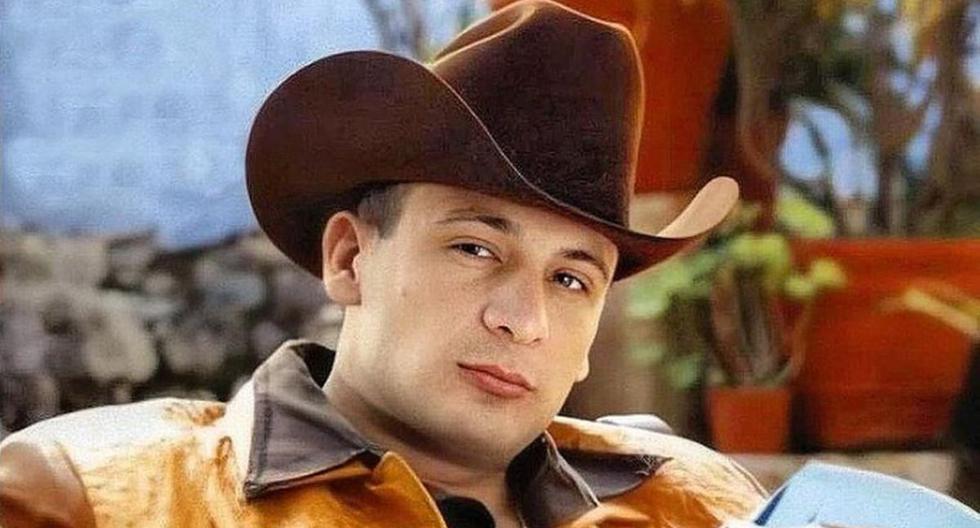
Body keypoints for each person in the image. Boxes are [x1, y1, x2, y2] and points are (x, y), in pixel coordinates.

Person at [0, 1, 767, 526]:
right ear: (348, 258)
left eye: (570, 279)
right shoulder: (95, 495)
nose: (523, 320)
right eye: (475, 248)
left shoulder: (700, 502)